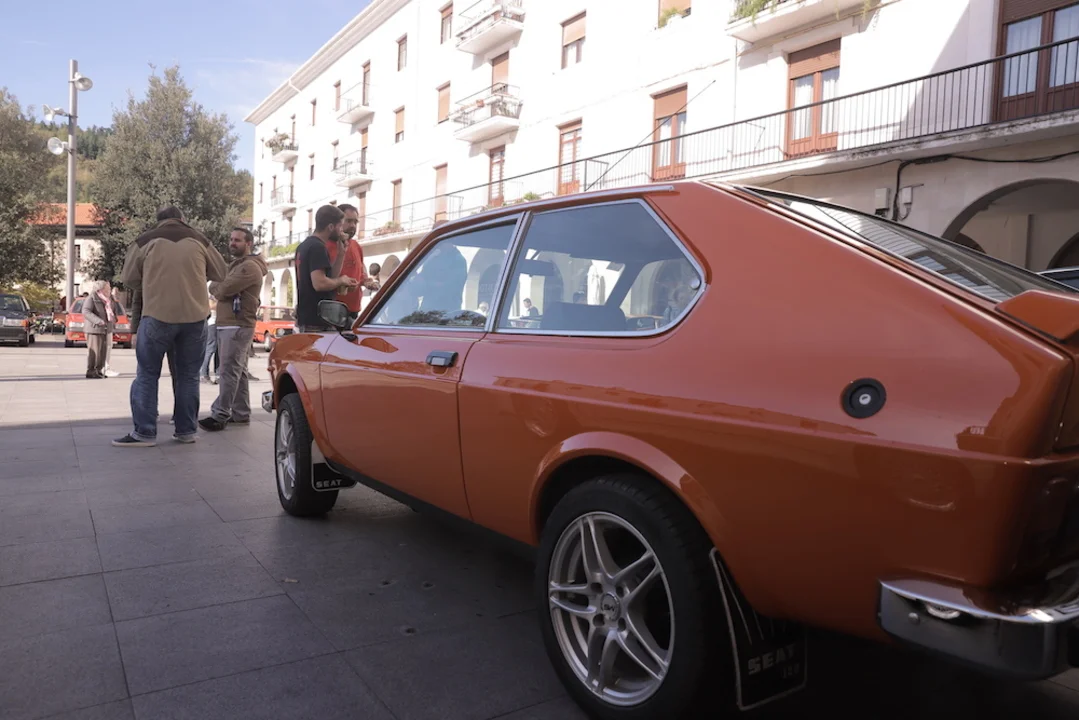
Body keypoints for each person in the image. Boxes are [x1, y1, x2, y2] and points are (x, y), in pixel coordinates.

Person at [113, 206, 228, 447]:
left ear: (159, 221)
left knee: (147, 374)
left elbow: (129, 278)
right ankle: (186, 431)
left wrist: (152, 278)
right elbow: (221, 272)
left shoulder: (145, 240)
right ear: (182, 219)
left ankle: (144, 433)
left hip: (157, 315)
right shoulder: (199, 239)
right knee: (188, 376)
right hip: (194, 318)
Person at [200, 228, 268, 431]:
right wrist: (218, 285)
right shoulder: (236, 266)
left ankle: (220, 414)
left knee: (229, 371)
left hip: (237, 324)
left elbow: (221, 290)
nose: (232, 243)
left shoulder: (249, 267)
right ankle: (240, 413)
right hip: (230, 323)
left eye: (237, 240)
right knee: (239, 371)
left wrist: (218, 286)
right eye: (231, 239)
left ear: (248, 243)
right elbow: (216, 285)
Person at [295, 205, 358, 332]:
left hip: (308, 318)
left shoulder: (305, 245)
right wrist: (341, 281)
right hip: (317, 320)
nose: (342, 230)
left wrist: (341, 254)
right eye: (340, 226)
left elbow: (330, 277)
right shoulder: (317, 247)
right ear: (330, 227)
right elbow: (320, 284)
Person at [324, 203, 379, 324]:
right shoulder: (325, 246)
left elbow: (360, 272)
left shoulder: (356, 246)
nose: (353, 225)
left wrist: (366, 282)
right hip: (332, 311)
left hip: (354, 310)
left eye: (355, 222)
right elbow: (323, 280)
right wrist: (341, 283)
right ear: (337, 222)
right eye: (348, 221)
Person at [82, 280, 115, 379]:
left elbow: (112, 311)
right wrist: (98, 321)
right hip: (94, 329)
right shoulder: (92, 298)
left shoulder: (108, 299)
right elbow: (86, 311)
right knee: (95, 351)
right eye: (107, 289)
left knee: (102, 351)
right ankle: (91, 371)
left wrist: (114, 319)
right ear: (100, 289)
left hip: (105, 329)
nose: (109, 291)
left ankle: (99, 370)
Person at [200, 298, 219, 384]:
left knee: (219, 350)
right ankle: (203, 374)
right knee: (210, 349)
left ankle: (218, 375)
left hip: (219, 323)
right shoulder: (212, 293)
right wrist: (222, 303)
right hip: (212, 323)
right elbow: (211, 306)